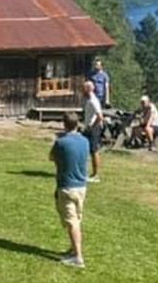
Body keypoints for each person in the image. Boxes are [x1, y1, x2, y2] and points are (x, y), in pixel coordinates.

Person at [49, 112, 90, 268]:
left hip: (67, 186)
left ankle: (78, 257)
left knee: (72, 222)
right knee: (77, 219)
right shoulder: (85, 141)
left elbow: (51, 157)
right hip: (82, 186)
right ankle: (74, 250)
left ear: (64, 124)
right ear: (77, 124)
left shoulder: (61, 143)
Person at [81, 80, 104, 183]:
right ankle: (84, 173)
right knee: (85, 150)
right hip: (88, 128)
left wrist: (92, 126)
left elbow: (100, 117)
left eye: (83, 89)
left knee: (94, 151)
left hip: (93, 129)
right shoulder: (89, 100)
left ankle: (96, 175)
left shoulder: (93, 101)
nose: (82, 91)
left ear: (88, 89)